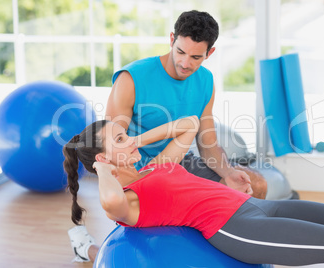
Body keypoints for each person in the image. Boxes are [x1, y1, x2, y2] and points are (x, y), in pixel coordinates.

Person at [63, 117, 324, 267]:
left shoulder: (155, 167)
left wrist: (134, 141)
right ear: (104, 159)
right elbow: (111, 200)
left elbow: (189, 125)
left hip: (254, 205)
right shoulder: (128, 198)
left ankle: (85, 249)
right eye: (120, 140)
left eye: (125, 134)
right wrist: (103, 167)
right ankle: (87, 248)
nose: (130, 139)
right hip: (236, 227)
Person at [105, 10, 267, 199]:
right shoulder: (131, 79)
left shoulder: (205, 80)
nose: (184, 63)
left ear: (209, 53)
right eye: (180, 52)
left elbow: (207, 143)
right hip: (141, 170)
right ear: (172, 39)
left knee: (254, 185)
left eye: (195, 57)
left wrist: (229, 173)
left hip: (180, 164)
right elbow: (109, 145)